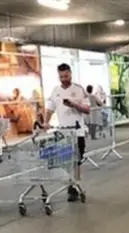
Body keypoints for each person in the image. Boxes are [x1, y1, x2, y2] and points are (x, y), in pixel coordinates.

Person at [44, 63, 90, 202]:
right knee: (66, 161)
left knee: (76, 161)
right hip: (63, 133)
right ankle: (71, 187)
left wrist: (74, 104)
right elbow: (49, 108)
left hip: (78, 132)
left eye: (66, 76)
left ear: (71, 74)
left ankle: (74, 185)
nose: (64, 78)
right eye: (61, 76)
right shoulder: (55, 91)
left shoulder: (79, 89)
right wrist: (46, 122)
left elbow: (87, 109)